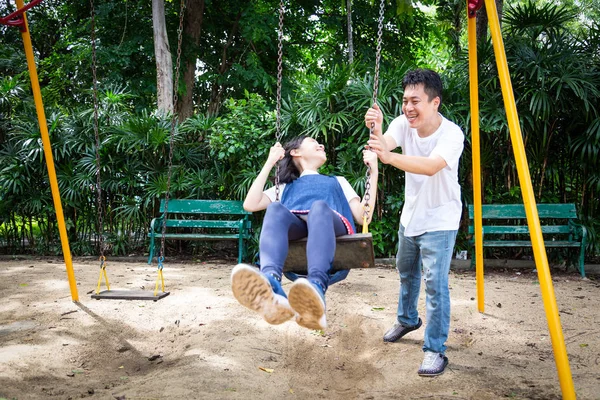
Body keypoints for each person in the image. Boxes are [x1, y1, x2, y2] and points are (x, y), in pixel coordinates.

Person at [364, 69, 464, 377]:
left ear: (435, 102)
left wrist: (388, 158)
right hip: (411, 215)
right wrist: (378, 131)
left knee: (435, 286)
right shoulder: (402, 124)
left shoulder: (451, 134)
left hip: (441, 217)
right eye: (405, 100)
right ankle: (407, 319)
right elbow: (386, 144)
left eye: (415, 101)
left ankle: (435, 350)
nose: (408, 107)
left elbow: (432, 166)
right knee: (406, 271)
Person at [231, 135, 378, 331]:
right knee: (275, 209)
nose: (321, 144)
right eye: (313, 142)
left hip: (331, 227)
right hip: (298, 229)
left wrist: (374, 171)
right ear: (295, 152)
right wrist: (269, 162)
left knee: (318, 208)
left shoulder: (338, 181)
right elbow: (250, 204)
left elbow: (363, 216)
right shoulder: (284, 187)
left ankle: (316, 286)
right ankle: (272, 286)